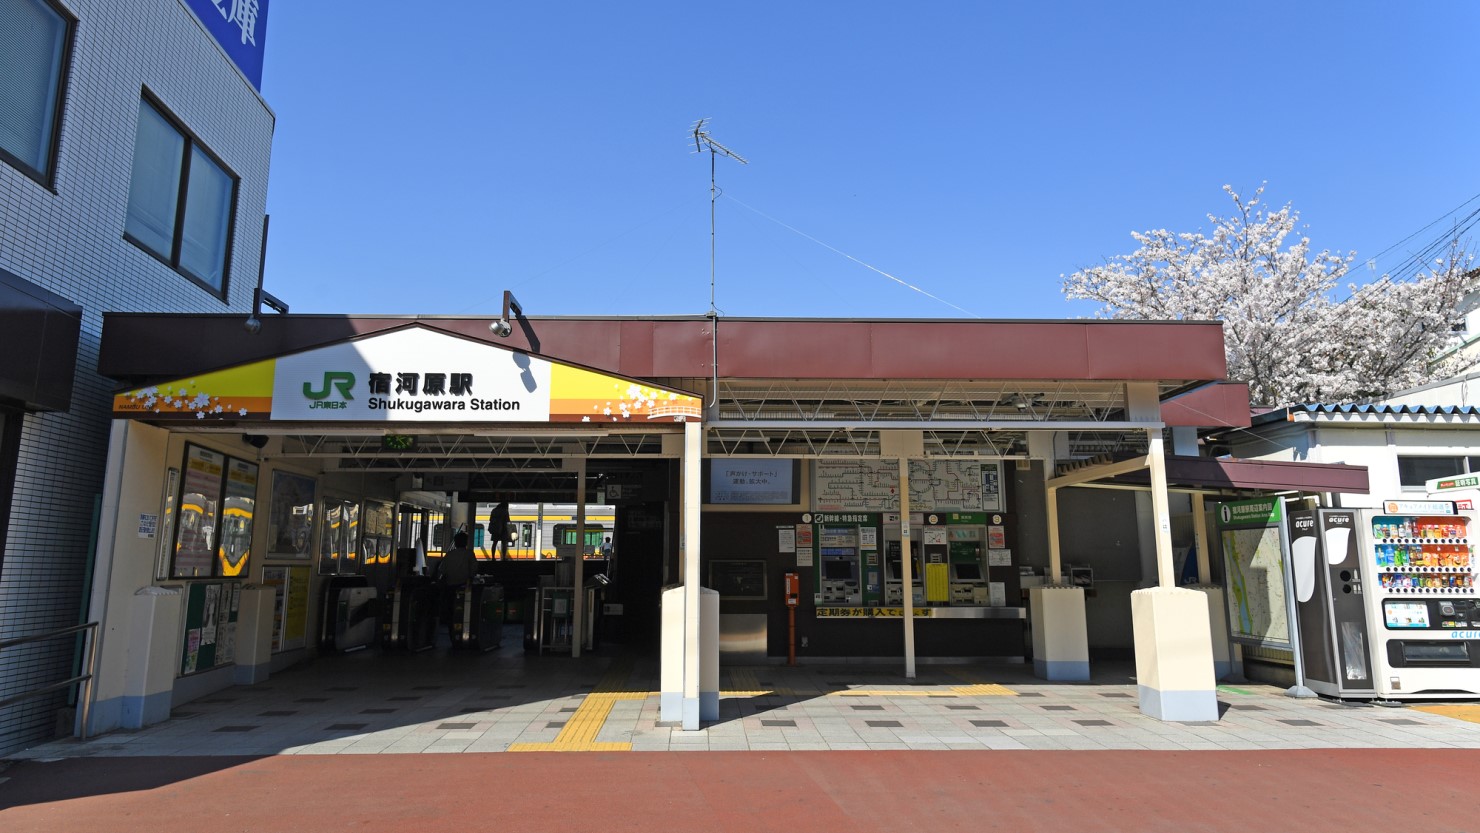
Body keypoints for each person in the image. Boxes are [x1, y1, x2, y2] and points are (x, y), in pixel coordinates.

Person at [434, 531, 478, 641]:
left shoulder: (449, 554)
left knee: (451, 612)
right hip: (464, 588)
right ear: (466, 542)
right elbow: (474, 569)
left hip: (450, 588)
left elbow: (441, 570)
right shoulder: (469, 554)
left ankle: (453, 634)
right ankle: (465, 634)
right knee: (465, 612)